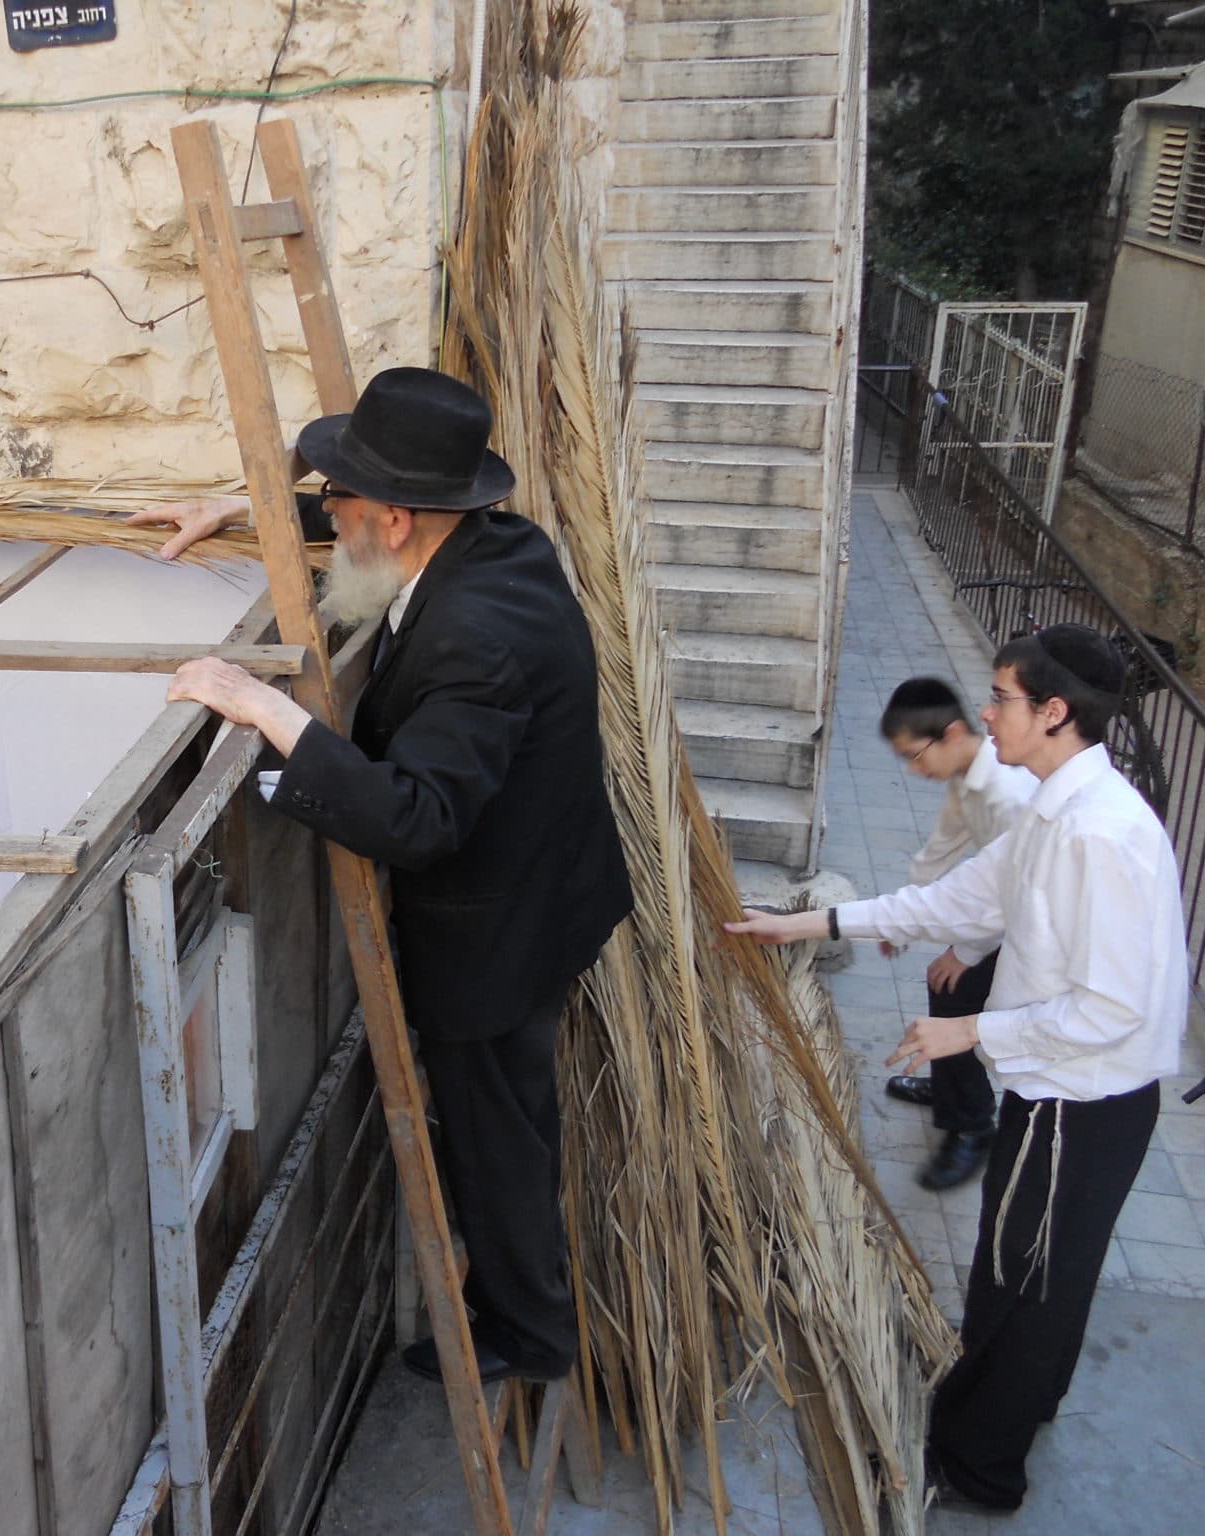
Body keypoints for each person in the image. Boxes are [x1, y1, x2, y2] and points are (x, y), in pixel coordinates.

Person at [127, 367, 634, 1385]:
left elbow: (417, 818)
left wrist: (267, 712)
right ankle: (526, 1304)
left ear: (397, 520)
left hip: (495, 938)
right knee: (511, 1126)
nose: (332, 517)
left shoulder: (474, 640)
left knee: (495, 1145)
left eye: (341, 504)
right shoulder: (497, 544)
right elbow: (356, 532)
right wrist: (243, 510)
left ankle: (529, 1340)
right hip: (549, 893)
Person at [727, 624, 1185, 1512]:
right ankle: (1015, 1410)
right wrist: (808, 925)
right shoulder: (1054, 809)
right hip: (1062, 1094)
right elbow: (951, 899)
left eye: (1002, 697)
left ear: (1055, 713)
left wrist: (969, 1032)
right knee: (1030, 1273)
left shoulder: (1101, 834)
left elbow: (1112, 1009)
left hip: (1080, 1104)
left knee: (1025, 1286)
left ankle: (979, 1469)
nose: (984, 711)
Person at [876, 676, 1038, 1190]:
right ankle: (952, 1089)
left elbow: (1017, 892)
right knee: (945, 985)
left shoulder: (1007, 793)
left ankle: (971, 1125)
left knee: (955, 985)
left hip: (1035, 921)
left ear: (949, 734)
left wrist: (966, 952)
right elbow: (940, 849)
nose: (912, 769)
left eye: (914, 754)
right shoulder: (967, 778)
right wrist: (899, 919)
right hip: (1005, 910)